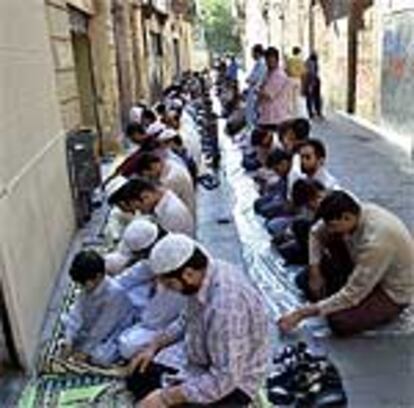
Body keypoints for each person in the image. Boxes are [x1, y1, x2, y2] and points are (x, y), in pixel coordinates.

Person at [126, 233, 270, 407]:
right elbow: (184, 320)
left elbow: (224, 379)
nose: (169, 290)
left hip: (235, 381)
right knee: (138, 376)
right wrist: (153, 346)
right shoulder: (204, 274)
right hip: (202, 358)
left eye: (170, 285)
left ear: (187, 274)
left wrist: (166, 397)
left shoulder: (225, 306)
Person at [278, 191, 414, 336]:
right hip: (363, 268)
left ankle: (381, 308)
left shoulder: (376, 242)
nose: (329, 230)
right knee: (304, 280)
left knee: (339, 322)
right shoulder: (353, 214)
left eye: (332, 226)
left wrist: (301, 314)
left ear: (346, 217)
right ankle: (333, 294)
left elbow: (353, 294)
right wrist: (315, 271)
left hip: (390, 291)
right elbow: (315, 233)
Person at [60, 250, 136, 366]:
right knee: (68, 326)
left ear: (98, 276)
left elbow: (103, 326)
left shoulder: (114, 293)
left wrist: (84, 351)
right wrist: (69, 339)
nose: (83, 287)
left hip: (114, 330)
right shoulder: (87, 288)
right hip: (93, 326)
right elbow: (77, 310)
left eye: (85, 283)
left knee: (100, 357)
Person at [107, 176, 195, 237]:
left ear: (146, 196)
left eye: (139, 208)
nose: (140, 212)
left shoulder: (171, 213)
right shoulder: (162, 203)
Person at [134, 152, 196, 216]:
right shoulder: (169, 162)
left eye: (150, 174)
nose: (150, 177)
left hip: (184, 213)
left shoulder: (171, 179)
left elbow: (159, 202)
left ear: (153, 166)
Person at [257, 47, 291, 132]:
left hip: (276, 117)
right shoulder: (269, 73)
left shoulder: (279, 75)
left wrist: (257, 91)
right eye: (267, 60)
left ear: (277, 59)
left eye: (272, 59)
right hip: (267, 116)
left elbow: (268, 94)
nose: (269, 62)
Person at [245, 44, 267, 127]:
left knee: (255, 115)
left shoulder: (261, 64)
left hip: (256, 92)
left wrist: (249, 80)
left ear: (257, 53)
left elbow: (256, 78)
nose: (252, 55)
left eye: (252, 53)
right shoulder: (258, 63)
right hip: (253, 91)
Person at [286, 46, 306, 116]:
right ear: (299, 52)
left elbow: (286, 69)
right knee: (296, 96)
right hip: (298, 79)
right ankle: (296, 112)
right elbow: (303, 72)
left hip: (290, 79)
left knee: (289, 97)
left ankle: (290, 112)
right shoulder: (301, 61)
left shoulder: (289, 60)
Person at [304, 52, 323, 119]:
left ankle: (311, 113)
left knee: (309, 98)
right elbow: (312, 73)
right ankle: (317, 112)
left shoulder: (306, 62)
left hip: (308, 81)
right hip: (313, 81)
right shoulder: (312, 63)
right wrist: (312, 84)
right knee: (316, 97)